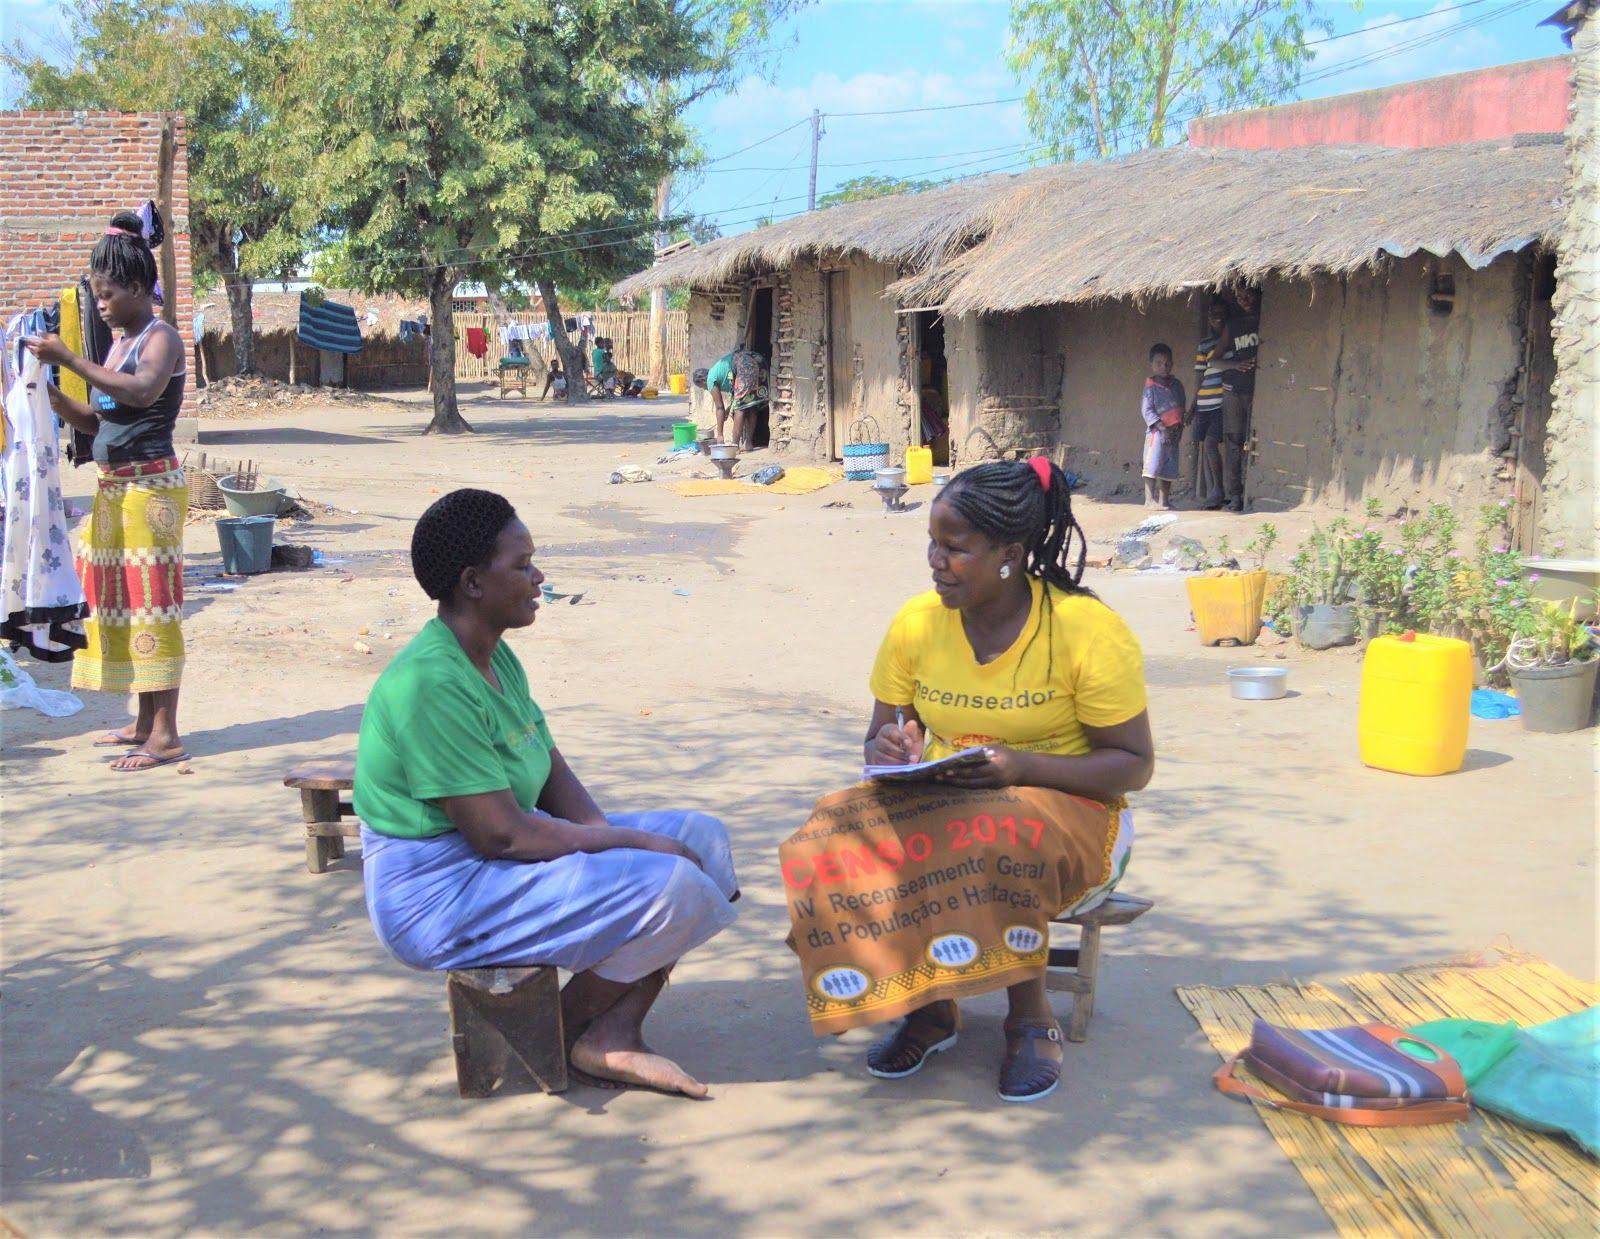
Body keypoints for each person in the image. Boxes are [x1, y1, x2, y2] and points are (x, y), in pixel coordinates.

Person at [355, 489, 739, 1096]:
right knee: (673, 880)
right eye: (523, 564)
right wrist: (630, 844)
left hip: (488, 855)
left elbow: (553, 775)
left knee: (700, 841)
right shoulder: (430, 683)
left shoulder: (494, 658)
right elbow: (500, 834)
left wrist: (621, 844)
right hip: (436, 890)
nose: (539, 577)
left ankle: (611, 1031)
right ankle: (553, 1031)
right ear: (473, 583)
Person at [862, 459, 1154, 1101]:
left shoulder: (1085, 631)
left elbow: (1133, 763)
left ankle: (1030, 1017)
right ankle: (932, 1008)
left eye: (955, 548)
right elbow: (878, 741)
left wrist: (1022, 767)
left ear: (1010, 553)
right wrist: (893, 748)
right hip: (950, 803)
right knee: (843, 830)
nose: (936, 562)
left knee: (997, 835)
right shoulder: (917, 623)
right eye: (932, 545)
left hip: (1080, 814)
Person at [23, 209, 189, 772]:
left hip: (151, 493)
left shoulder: (161, 339)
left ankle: (165, 735)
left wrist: (69, 358)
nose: (100, 304)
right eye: (95, 294)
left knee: (154, 608)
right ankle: (144, 723)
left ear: (139, 288)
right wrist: (45, 392)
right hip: (116, 491)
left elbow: (142, 394)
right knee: (123, 608)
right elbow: (99, 420)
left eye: (107, 293)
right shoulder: (121, 343)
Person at [1218, 285, 1261, 513]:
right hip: (1233, 390)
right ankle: (1235, 495)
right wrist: (1235, 364)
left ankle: (1252, 492)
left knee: (1255, 442)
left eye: (1248, 295)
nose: (1244, 300)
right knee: (1234, 442)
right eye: (1239, 297)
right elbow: (1214, 361)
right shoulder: (1233, 327)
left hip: (1257, 390)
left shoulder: (1265, 321)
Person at [1186, 298, 1228, 510]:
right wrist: (1193, 406)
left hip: (1222, 403)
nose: (1216, 318)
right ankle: (1213, 489)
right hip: (1204, 403)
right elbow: (1199, 377)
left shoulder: (1231, 342)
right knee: (1206, 446)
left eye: (1220, 314)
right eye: (1212, 315)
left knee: (1212, 445)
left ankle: (1218, 490)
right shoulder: (1204, 345)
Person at [692, 349, 768, 448]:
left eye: (703, 387)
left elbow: (719, 407)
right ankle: (748, 443)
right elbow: (737, 394)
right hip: (758, 360)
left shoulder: (710, 379)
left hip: (745, 365)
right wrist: (728, 410)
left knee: (739, 408)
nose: (706, 389)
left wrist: (720, 435)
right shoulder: (717, 371)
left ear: (703, 380)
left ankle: (734, 445)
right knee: (750, 406)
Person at [1140, 343, 1185, 510]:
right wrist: (1162, 428)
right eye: (1159, 363)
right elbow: (1147, 410)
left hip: (1174, 433)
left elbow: (1181, 406)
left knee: (1169, 467)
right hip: (1156, 433)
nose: (1163, 367)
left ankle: (1164, 500)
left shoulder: (1177, 385)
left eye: (1167, 363)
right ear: (1151, 364)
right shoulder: (1150, 387)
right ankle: (1149, 500)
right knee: (1153, 464)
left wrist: (1180, 427)